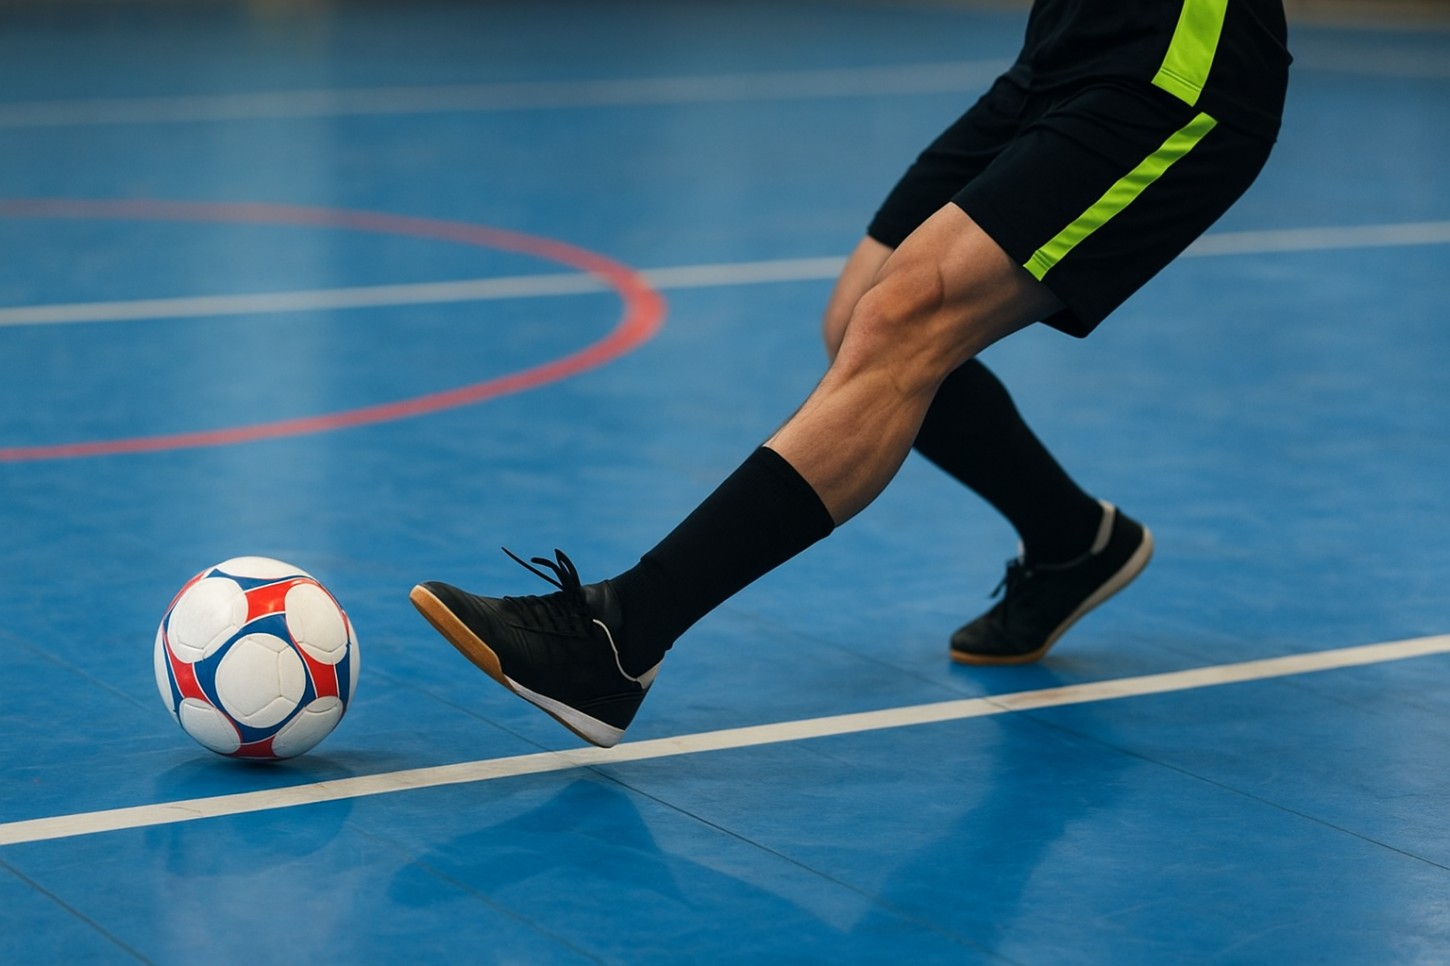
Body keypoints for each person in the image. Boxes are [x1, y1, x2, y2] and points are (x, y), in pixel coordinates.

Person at [410, 0, 1292, 749]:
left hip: (1179, 56)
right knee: (859, 315)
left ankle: (619, 637)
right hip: (1066, 46)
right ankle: (1073, 541)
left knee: (903, 315)